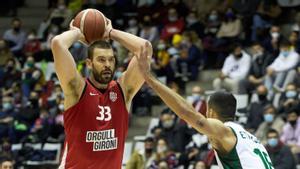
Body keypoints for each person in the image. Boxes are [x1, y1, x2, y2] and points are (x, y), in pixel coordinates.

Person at [136, 41, 274, 168]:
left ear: (211, 112)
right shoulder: (249, 138)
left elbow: (186, 113)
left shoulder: (224, 130)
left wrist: (150, 79)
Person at [51, 15, 152, 168]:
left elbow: (145, 48)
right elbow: (58, 43)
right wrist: (78, 33)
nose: (107, 65)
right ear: (89, 63)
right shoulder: (77, 90)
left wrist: (111, 32)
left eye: (111, 60)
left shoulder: (123, 91)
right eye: (101, 60)